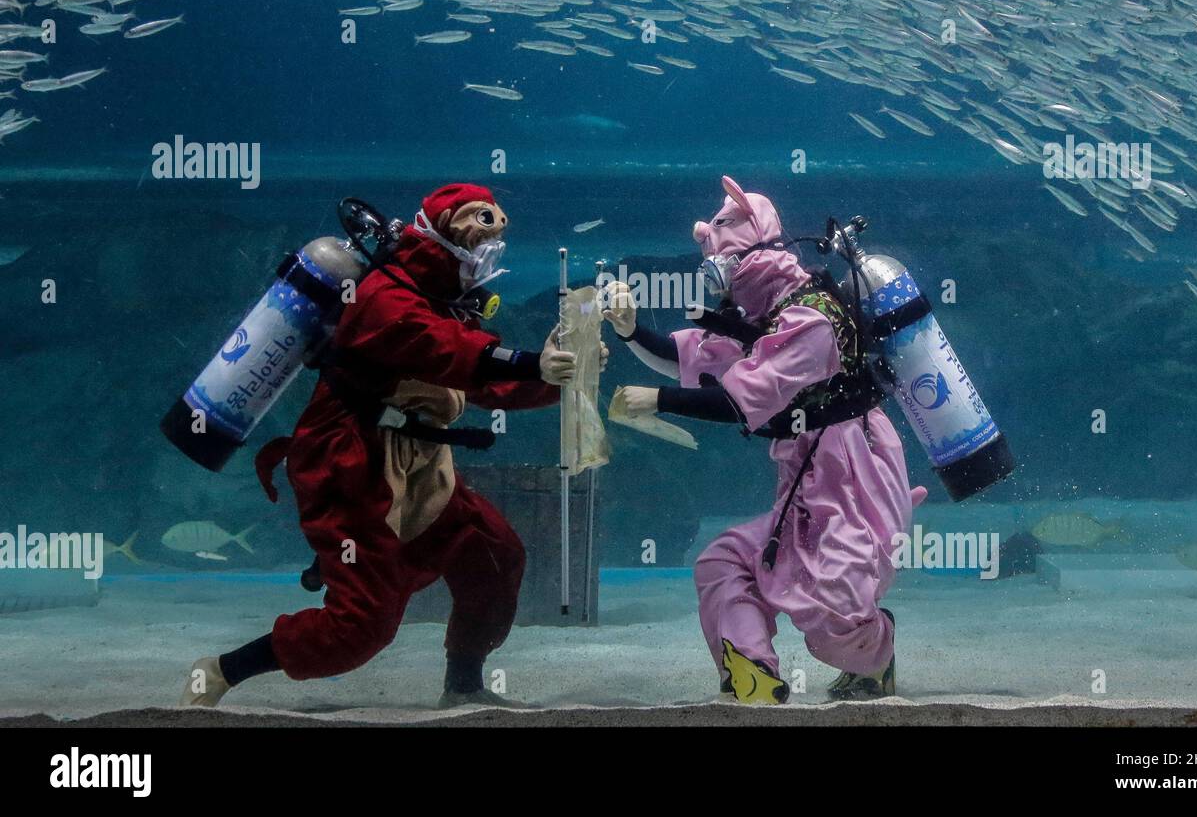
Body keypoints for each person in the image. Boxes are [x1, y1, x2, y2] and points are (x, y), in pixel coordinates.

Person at [182, 183, 592, 709]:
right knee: (360, 628)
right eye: (483, 226)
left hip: (417, 465)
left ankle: (464, 688)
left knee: (493, 554)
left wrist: (557, 374)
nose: (494, 245)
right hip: (349, 467)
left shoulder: (444, 299)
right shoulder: (383, 297)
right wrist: (527, 361)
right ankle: (220, 672)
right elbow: (438, 345)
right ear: (445, 232)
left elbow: (480, 380)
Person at [603, 176, 927, 704]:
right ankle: (752, 675)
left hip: (854, 487)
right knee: (724, 563)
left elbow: (740, 399)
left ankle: (875, 652)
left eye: (720, 244)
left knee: (833, 616)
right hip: (803, 487)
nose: (712, 259)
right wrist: (630, 331)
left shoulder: (810, 320)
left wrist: (656, 401)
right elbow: (690, 359)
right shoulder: (763, 317)